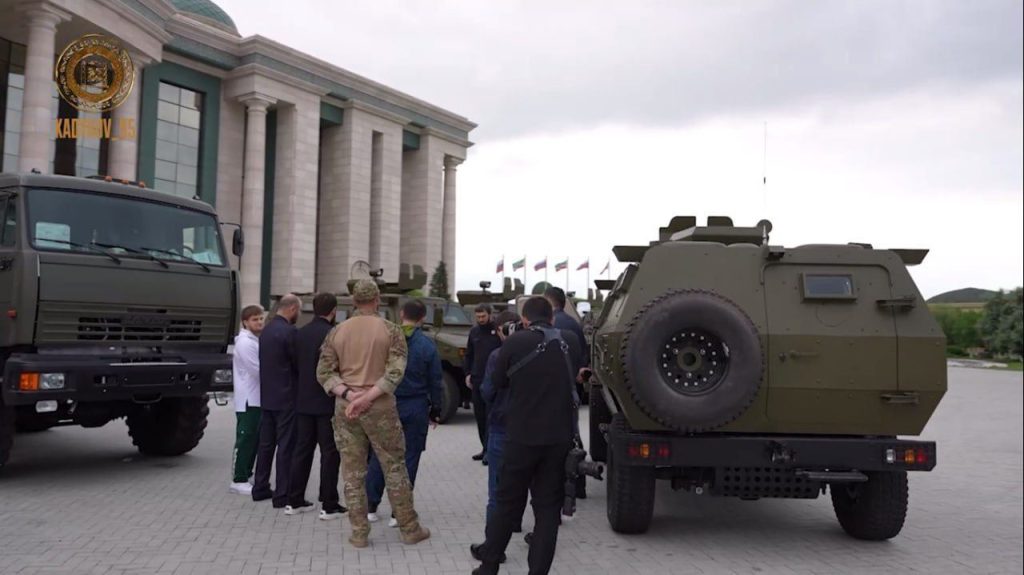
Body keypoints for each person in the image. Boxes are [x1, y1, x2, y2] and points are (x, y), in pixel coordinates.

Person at [471, 297, 583, 575]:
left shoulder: (514, 343)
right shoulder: (570, 342)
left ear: (524, 319)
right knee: (547, 510)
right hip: (558, 439)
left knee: (507, 503)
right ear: (553, 318)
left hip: (520, 436)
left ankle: (489, 566)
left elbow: (497, 384)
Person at [316, 279, 431, 548]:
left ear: (354, 301)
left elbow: (324, 372)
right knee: (394, 466)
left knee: (352, 472)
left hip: (346, 408)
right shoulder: (391, 330)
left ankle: (359, 533)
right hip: (379, 406)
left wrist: (350, 395)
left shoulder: (337, 331)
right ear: (377, 299)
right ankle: (409, 528)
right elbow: (395, 372)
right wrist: (368, 396)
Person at [366, 299, 444, 527]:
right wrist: (436, 410)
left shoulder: (385, 340)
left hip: (386, 403)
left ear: (401, 314)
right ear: (422, 318)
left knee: (380, 455)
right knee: (409, 458)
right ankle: (399, 512)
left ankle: (370, 506)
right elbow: (435, 381)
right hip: (416, 406)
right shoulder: (427, 345)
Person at [285, 293, 347, 520]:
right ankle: (328, 504)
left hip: (303, 402)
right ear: (333, 311)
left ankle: (295, 500)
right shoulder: (333, 334)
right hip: (327, 402)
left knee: (302, 450)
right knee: (329, 453)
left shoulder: (299, 334)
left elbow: (294, 366)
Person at [252, 294, 300, 508]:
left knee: (266, 445)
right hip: (287, 397)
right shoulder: (290, 332)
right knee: (286, 446)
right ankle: (282, 494)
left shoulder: (266, 331)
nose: (298, 314)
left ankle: (260, 487)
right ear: (291, 309)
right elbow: (296, 364)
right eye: (297, 310)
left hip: (267, 396)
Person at [480, 310, 521, 527]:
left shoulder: (498, 356)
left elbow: (488, 392)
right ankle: (514, 522)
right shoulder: (538, 351)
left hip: (501, 426)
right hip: (527, 429)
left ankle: (493, 543)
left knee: (496, 490)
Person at [229, 304, 264, 495]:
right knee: (245, 439)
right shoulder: (245, 343)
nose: (259, 322)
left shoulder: (255, 341)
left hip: (257, 398)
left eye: (260, 318)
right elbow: (257, 370)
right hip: (248, 400)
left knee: (254, 439)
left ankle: (246, 473)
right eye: (254, 319)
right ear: (245, 322)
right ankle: (238, 479)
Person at [464, 304, 501, 465]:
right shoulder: (474, 332)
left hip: (492, 381)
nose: (480, 320)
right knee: (480, 416)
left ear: (490, 315)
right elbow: (469, 354)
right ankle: (484, 448)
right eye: (478, 317)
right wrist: (468, 374)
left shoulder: (497, 332)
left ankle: (490, 450)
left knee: (490, 415)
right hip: (477, 379)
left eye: (483, 316)